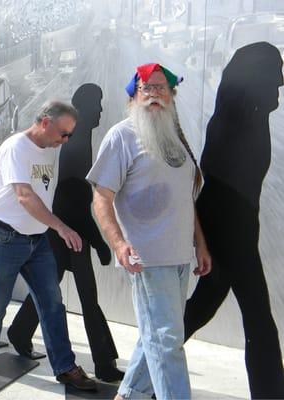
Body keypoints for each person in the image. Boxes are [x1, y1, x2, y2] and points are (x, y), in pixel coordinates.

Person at [87, 63, 211, 399]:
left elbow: (186, 198)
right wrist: (119, 244)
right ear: (134, 96)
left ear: (172, 95)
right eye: (147, 87)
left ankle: (128, 395)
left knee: (155, 336)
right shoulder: (122, 136)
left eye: (161, 88)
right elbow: (101, 198)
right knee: (167, 341)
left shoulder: (176, 138)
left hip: (180, 257)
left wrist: (199, 244)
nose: (154, 94)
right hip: (146, 258)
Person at [0, 101, 96, 392]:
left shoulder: (51, 147)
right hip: (4, 237)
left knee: (52, 304)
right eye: (63, 133)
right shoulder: (16, 147)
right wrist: (61, 227)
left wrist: (50, 228)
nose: (65, 140)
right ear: (44, 122)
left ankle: (65, 367)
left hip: (37, 240)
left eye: (69, 135)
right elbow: (25, 196)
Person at [183, 42, 284, 398]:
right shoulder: (233, 121)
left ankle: (143, 376)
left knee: (199, 311)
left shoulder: (250, 117)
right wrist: (220, 237)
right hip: (230, 227)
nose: (281, 84)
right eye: (275, 75)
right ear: (257, 79)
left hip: (237, 226)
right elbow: (216, 180)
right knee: (258, 320)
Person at [7, 84, 123, 382]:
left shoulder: (75, 139)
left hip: (66, 231)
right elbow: (72, 195)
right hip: (69, 233)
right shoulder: (76, 141)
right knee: (85, 298)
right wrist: (98, 241)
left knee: (51, 292)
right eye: (97, 104)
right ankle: (104, 364)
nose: (100, 110)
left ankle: (20, 333)